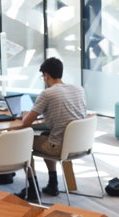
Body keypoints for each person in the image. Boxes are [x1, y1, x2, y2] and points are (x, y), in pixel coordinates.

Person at [18, 57, 86, 201]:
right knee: (45, 134)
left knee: (23, 143)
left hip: (61, 146)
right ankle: (53, 183)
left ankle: (32, 189)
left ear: (46, 75)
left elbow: (26, 123)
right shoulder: (78, 89)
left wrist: (25, 114)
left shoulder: (47, 94)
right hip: (80, 144)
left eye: (43, 76)